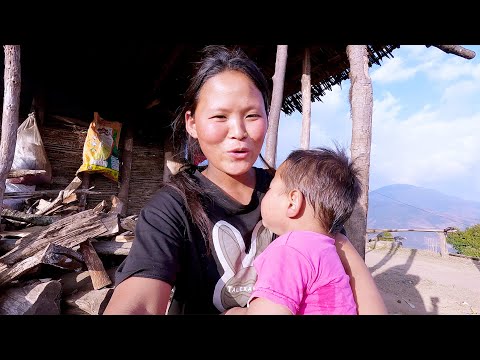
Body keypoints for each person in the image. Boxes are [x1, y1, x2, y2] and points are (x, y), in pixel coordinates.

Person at [103, 45, 387, 315]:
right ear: (192, 123)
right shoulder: (171, 208)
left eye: (252, 115)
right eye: (219, 116)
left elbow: (347, 268)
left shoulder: (294, 195)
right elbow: (139, 300)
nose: (238, 131)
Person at [225, 147, 361, 315]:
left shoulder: (288, 250)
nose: (265, 195)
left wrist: (235, 313)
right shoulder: (327, 251)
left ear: (292, 202)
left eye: (270, 189)